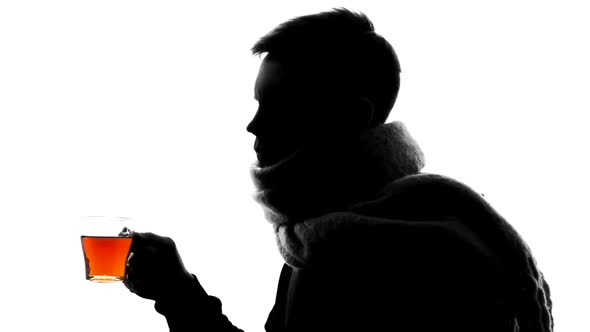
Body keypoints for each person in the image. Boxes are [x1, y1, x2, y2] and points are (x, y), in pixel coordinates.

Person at [124, 8, 554, 332]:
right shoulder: (324, 232)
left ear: (351, 117)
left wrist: (178, 295)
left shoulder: (394, 253)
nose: (253, 125)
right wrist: (176, 291)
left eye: (278, 106)